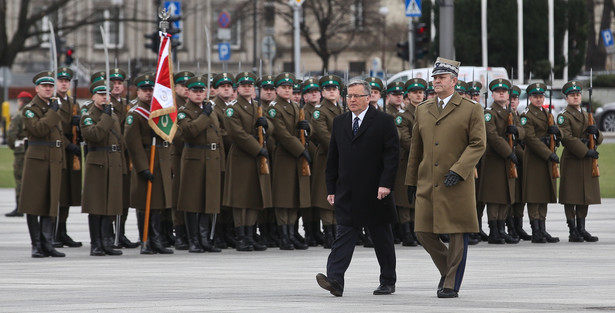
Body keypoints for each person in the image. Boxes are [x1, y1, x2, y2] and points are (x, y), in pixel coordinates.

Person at [406, 57, 486, 298]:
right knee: (422, 231)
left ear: (454, 81)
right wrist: (410, 181)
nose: (436, 82)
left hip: (457, 182)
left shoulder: (471, 109)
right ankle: (447, 268)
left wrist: (459, 169)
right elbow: (415, 149)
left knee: (457, 232)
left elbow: (478, 144)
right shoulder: (423, 109)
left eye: (441, 78)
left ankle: (451, 283)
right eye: (435, 78)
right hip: (428, 182)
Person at [316, 79, 399, 297]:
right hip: (348, 191)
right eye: (349, 96)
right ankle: (335, 279)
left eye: (356, 96)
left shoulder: (384, 121)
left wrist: (386, 184)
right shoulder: (340, 122)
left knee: (382, 237)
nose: (351, 100)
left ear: (369, 97)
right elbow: (333, 158)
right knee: (344, 235)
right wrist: (331, 187)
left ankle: (388, 280)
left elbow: (391, 157)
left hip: (375, 191)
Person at [20, 71, 74, 258]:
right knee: (34, 203)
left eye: (51, 86)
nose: (48, 89)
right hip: (37, 160)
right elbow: (38, 129)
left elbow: (58, 134)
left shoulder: (53, 106)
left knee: (51, 202)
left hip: (53, 158)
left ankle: (48, 243)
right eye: (45, 86)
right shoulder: (30, 108)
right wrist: (53, 112)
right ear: (37, 89)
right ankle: (36, 245)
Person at [124, 73, 174, 254]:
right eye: (144, 90)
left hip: (160, 158)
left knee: (158, 203)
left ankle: (157, 240)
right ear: (137, 92)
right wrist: (142, 167)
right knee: (145, 203)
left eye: (151, 90)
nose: (148, 93)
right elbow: (132, 143)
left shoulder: (159, 112)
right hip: (146, 159)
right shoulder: (135, 113)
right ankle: (145, 240)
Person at [222, 72, 272, 252]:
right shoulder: (232, 108)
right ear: (238, 88)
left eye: (250, 85)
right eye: (243, 85)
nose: (247, 87)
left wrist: (266, 124)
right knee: (240, 199)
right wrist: (258, 149)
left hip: (255, 155)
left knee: (253, 196)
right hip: (242, 156)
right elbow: (237, 134)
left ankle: (250, 233)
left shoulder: (257, 106)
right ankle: (241, 236)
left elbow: (269, 127)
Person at [176, 76, 224, 253]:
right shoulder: (183, 111)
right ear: (188, 93)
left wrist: (221, 163)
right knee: (192, 201)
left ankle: (205, 239)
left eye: (201, 91)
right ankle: (193, 239)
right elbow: (190, 131)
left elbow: (218, 135)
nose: (198, 94)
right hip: (194, 159)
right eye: (195, 91)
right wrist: (204, 115)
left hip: (211, 157)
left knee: (207, 200)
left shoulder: (209, 109)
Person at [80, 80, 125, 256]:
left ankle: (107, 241)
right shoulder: (88, 115)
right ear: (93, 96)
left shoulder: (112, 115)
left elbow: (119, 141)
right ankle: (96, 243)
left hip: (113, 161)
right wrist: (106, 116)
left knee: (110, 204)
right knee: (96, 205)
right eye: (101, 94)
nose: (105, 97)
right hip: (97, 162)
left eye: (107, 94)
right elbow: (94, 135)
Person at [267, 72, 310, 250]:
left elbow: (303, 127)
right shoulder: (274, 108)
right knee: (283, 197)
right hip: (284, 155)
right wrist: (301, 151)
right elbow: (282, 134)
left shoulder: (294, 106)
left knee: (293, 196)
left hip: (295, 156)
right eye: (284, 87)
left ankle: (292, 233)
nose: (287, 90)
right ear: (277, 89)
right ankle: (284, 235)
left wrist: (308, 129)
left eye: (290, 88)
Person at [477, 79, 524, 244]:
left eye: (504, 91)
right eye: (498, 91)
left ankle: (502, 229)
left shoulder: (510, 112)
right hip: (495, 159)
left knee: (506, 195)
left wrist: (516, 130)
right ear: (493, 94)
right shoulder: (489, 113)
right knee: (494, 196)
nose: (502, 93)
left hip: (506, 159)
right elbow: (492, 137)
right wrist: (508, 152)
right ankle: (494, 230)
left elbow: (523, 131)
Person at [557, 81, 603, 242]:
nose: (576, 97)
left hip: (586, 160)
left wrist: (595, 133)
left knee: (585, 195)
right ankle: (572, 229)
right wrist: (585, 150)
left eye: (577, 94)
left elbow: (599, 137)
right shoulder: (564, 116)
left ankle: (582, 228)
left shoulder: (586, 115)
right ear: (567, 98)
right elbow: (567, 138)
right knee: (571, 195)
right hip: (573, 159)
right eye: (572, 95)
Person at [519, 83, 560, 243]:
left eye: (541, 96)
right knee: (534, 195)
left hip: (546, 158)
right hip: (536, 159)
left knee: (544, 193)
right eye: (535, 97)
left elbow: (554, 132)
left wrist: (556, 132)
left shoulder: (546, 113)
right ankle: (536, 230)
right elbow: (530, 139)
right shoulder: (526, 115)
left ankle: (542, 229)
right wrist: (548, 154)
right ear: (530, 98)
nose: (538, 99)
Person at [310, 75, 343, 249]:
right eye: (328, 89)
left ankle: (337, 230)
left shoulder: (341, 109)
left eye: (334, 89)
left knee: (339, 193)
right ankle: (328, 232)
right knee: (326, 194)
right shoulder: (319, 111)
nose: (332, 92)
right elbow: (324, 136)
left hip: (342, 158)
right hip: (327, 157)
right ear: (322, 92)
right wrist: (345, 148)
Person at [394, 78, 426, 247]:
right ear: (408, 95)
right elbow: (405, 140)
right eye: (414, 92)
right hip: (407, 162)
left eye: (421, 92)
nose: (418, 95)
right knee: (405, 199)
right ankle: (406, 233)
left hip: (423, 162)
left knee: (417, 198)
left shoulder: (427, 113)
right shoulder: (402, 116)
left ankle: (415, 231)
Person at [55, 67, 83, 248]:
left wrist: (78, 130)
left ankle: (62, 230)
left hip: (70, 152)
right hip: (59, 150)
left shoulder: (73, 103)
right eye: (61, 80)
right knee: (57, 193)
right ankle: (53, 232)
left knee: (67, 193)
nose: (64, 83)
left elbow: (78, 127)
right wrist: (69, 144)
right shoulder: (53, 103)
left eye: (67, 81)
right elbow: (55, 129)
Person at [169, 71, 195, 251]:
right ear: (175, 88)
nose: (186, 89)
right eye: (182, 86)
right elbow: (175, 134)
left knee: (191, 194)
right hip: (177, 153)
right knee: (178, 193)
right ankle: (179, 233)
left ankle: (191, 232)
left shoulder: (194, 105)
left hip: (193, 155)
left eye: (189, 86)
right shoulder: (171, 106)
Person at [508, 85, 532, 240]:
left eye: (515, 99)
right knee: (511, 194)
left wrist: (518, 132)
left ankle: (518, 226)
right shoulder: (506, 115)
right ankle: (510, 227)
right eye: (511, 99)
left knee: (520, 194)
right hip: (511, 156)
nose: (513, 101)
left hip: (520, 158)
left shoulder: (518, 115)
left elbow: (524, 133)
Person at [6, 91, 32, 217]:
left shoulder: (18, 115)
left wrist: (13, 146)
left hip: (21, 151)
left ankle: (20, 207)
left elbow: (11, 135)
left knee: (20, 179)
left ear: (20, 101)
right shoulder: (33, 114)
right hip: (33, 150)